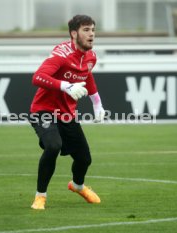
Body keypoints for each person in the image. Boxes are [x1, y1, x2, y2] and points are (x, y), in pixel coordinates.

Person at [29, 15, 105, 210]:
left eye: (93, 30)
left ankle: (77, 186)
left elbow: (87, 77)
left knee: (84, 159)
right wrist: (65, 86)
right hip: (43, 110)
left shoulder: (91, 57)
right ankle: (40, 197)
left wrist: (97, 103)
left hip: (67, 114)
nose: (92, 34)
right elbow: (38, 77)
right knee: (53, 146)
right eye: (86, 30)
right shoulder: (61, 54)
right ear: (74, 33)